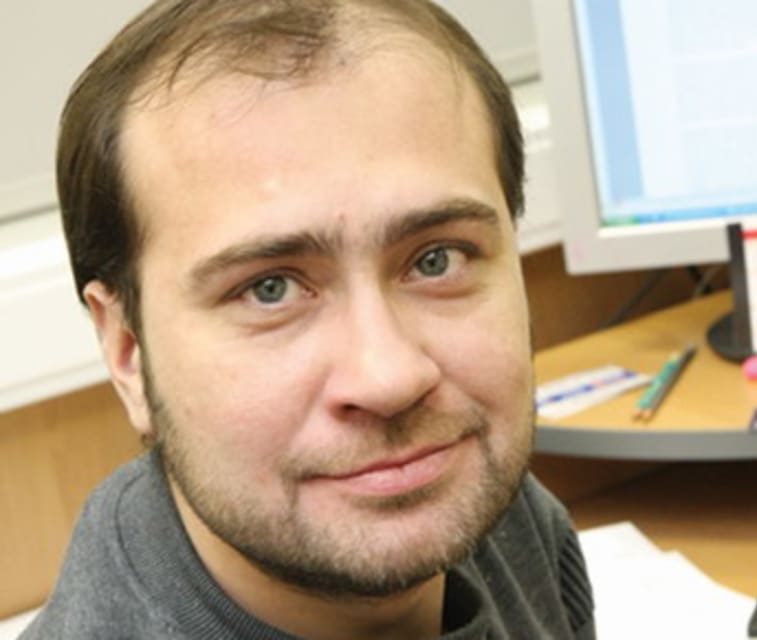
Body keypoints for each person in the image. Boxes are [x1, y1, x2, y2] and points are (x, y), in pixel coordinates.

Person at [21, 1, 595, 638]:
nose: (391, 379)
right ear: (128, 351)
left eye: (436, 259)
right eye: (268, 290)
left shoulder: (477, 499)